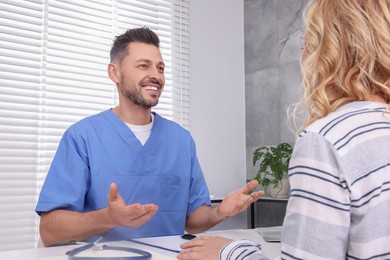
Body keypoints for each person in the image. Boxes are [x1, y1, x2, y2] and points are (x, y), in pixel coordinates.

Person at [178, 0, 390, 259]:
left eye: (305, 45)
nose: (301, 58)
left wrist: (229, 251)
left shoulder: (327, 141)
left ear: (332, 51)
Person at [35, 27, 263, 247]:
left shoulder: (181, 140)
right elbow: (49, 230)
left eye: (160, 68)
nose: (155, 75)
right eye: (143, 66)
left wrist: (219, 212)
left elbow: (193, 220)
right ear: (115, 73)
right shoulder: (82, 137)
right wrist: (109, 217)